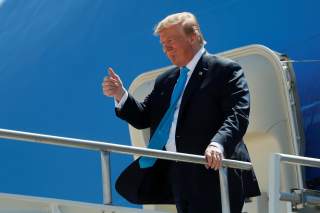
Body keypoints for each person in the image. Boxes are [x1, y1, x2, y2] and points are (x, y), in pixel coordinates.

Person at [102, 12, 260, 213]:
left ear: (192, 36)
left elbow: (237, 115)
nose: (165, 48)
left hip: (212, 170)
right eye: (162, 43)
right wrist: (120, 95)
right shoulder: (166, 80)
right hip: (178, 172)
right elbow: (143, 117)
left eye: (170, 41)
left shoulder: (225, 70)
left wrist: (218, 144)